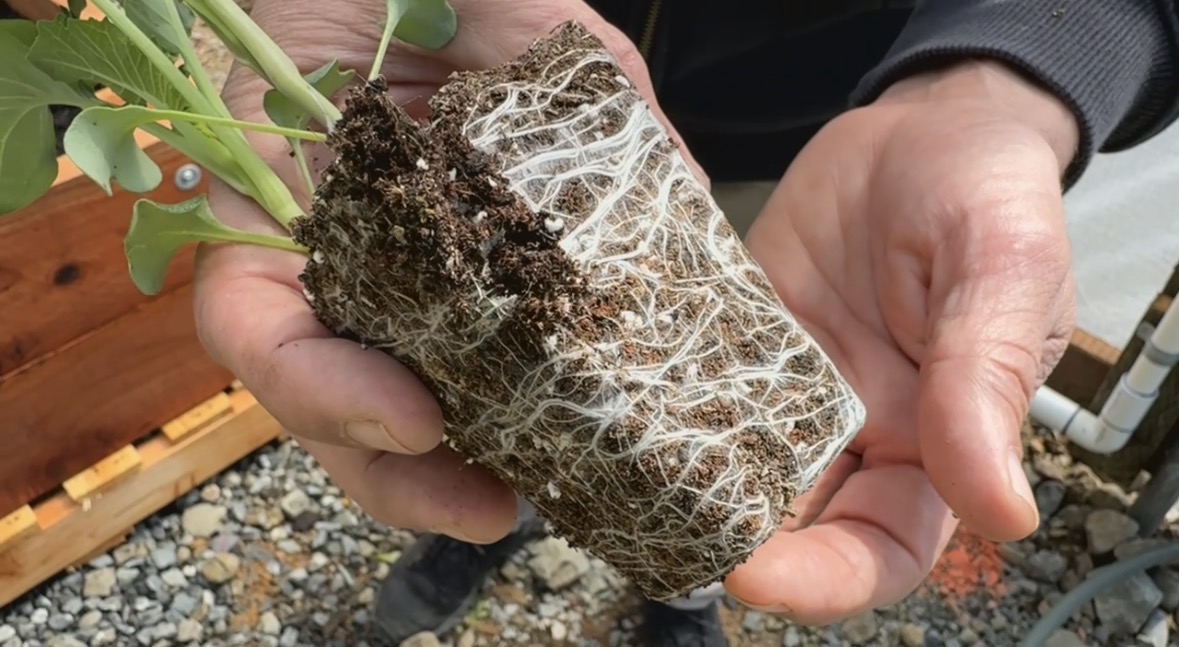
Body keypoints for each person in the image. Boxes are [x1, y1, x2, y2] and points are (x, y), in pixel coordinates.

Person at [196, 0, 1179, 645]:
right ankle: (497, 519)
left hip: (815, 122)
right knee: (518, 369)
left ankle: (685, 590)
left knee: (712, 389)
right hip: (489, 73)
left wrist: (1015, 66)